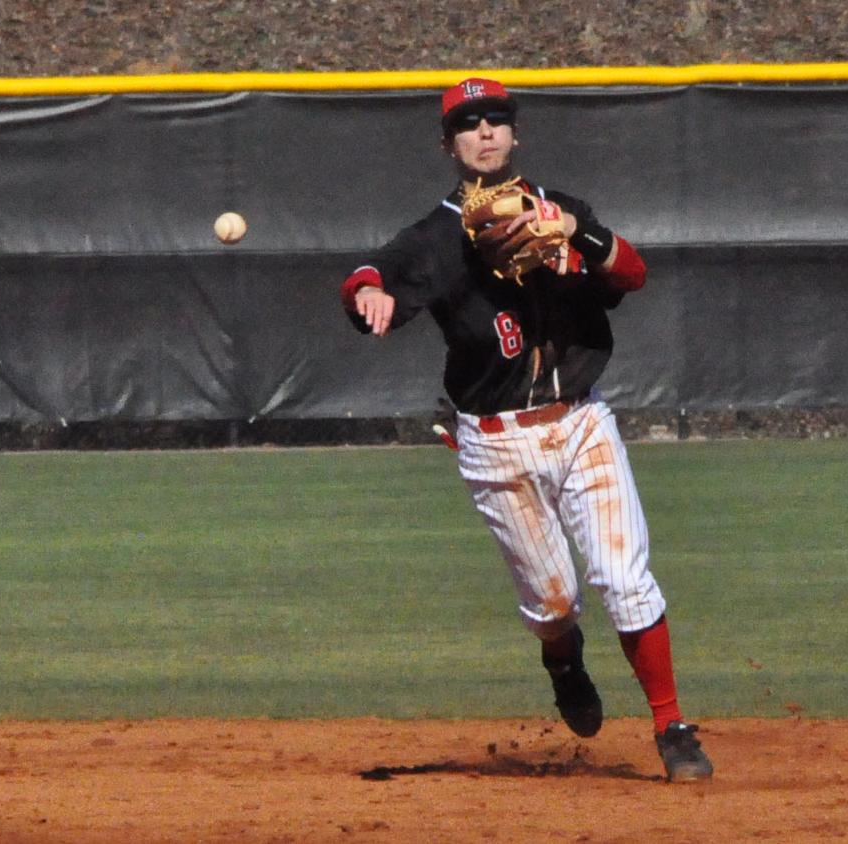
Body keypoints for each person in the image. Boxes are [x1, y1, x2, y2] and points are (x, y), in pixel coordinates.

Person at [338, 77, 713, 782]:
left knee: (624, 581)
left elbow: (630, 272)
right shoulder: (434, 239)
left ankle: (671, 725)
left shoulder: (558, 210)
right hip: (495, 440)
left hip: (579, 421)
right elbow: (371, 274)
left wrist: (577, 232)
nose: (484, 132)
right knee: (552, 603)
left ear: (514, 134)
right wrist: (367, 292)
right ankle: (562, 657)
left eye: (496, 121)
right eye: (468, 124)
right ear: (448, 144)